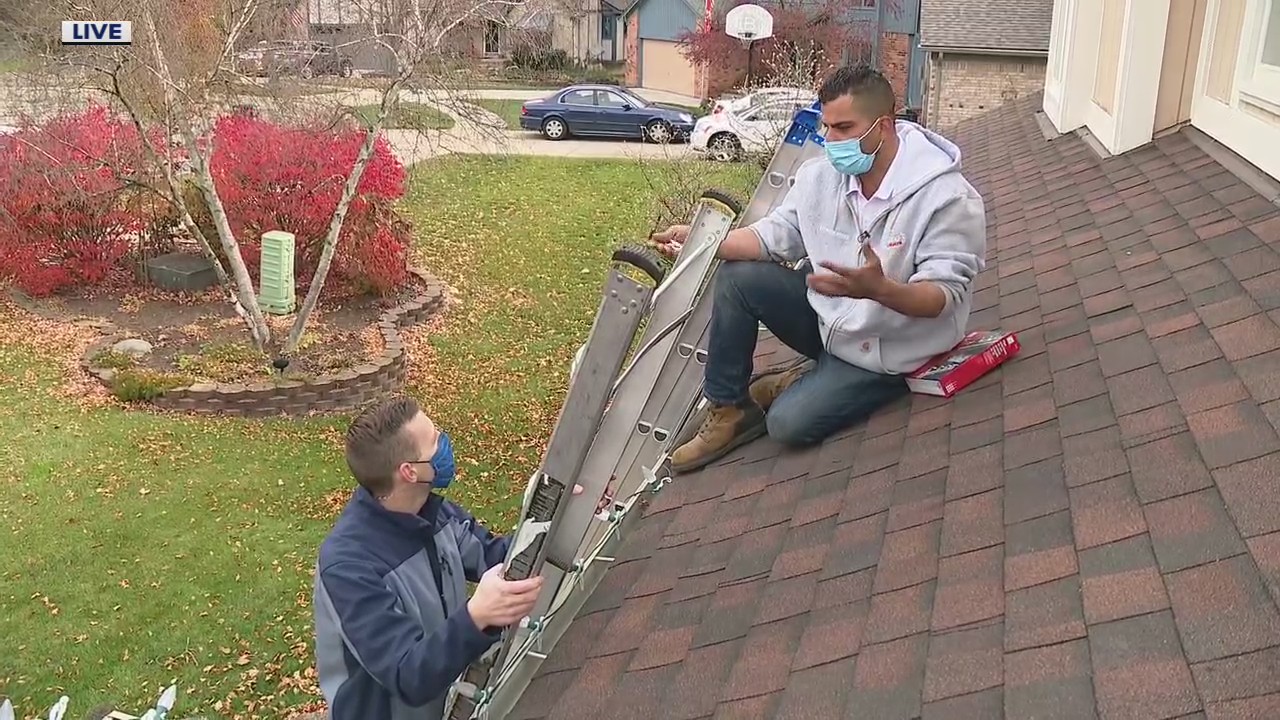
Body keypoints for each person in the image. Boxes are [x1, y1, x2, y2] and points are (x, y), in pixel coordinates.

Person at [653, 64, 987, 473]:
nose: (830, 140)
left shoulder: (948, 198)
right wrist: (704, 244)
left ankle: (800, 384)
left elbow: (941, 297)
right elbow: (774, 234)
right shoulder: (819, 177)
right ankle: (730, 408)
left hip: (890, 351)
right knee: (739, 276)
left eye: (844, 128)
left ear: (883, 126)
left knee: (788, 425)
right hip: (830, 322)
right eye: (827, 127)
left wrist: (879, 290)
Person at [313, 395, 546, 720]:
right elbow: (406, 674)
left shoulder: (432, 513)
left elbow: (496, 556)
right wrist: (477, 615)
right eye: (436, 441)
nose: (445, 446)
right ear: (409, 471)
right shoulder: (348, 566)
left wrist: (556, 515)